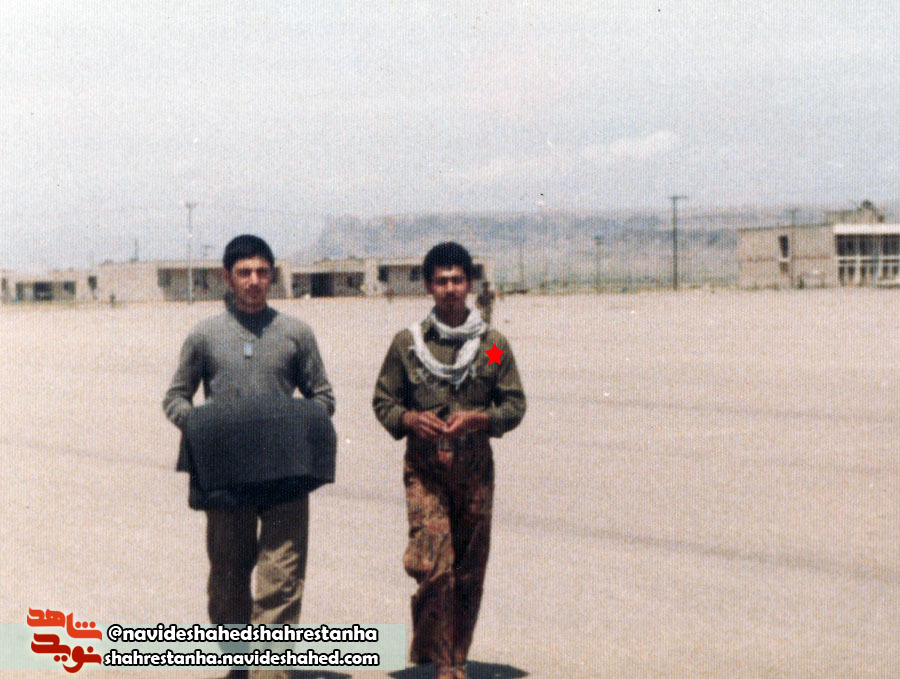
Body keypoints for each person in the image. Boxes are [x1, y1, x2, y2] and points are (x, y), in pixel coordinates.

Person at [163, 235, 335, 679]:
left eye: (262, 272)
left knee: (282, 579)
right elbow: (175, 398)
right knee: (228, 580)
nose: (254, 281)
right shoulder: (205, 335)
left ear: (272, 275)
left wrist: (296, 426)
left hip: (284, 475)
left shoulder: (296, 333)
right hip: (226, 477)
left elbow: (322, 396)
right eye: (244, 272)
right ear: (227, 277)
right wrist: (203, 428)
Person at [372, 242, 526, 679]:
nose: (450, 289)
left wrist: (480, 419)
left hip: (474, 469)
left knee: (469, 570)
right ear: (428, 286)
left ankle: (453, 659)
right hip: (426, 471)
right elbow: (383, 401)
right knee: (434, 565)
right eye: (441, 281)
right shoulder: (409, 345)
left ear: (470, 284)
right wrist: (408, 419)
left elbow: (513, 404)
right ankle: (438, 655)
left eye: (458, 280)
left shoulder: (490, 346)